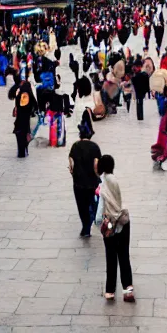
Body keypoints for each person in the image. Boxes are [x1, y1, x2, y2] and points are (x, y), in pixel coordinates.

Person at [95, 155, 134, 302]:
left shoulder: (104, 185)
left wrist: (102, 227)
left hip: (110, 224)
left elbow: (99, 215)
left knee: (111, 258)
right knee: (124, 256)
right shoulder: (116, 181)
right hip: (124, 222)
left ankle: (110, 292)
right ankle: (128, 290)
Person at [69, 127, 102, 237]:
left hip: (78, 182)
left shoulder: (75, 147)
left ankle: (85, 226)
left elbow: (71, 165)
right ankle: (90, 222)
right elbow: (96, 165)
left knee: (81, 205)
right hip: (92, 182)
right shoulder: (95, 147)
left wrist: (73, 172)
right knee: (93, 203)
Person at [13, 81, 38, 158]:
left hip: (19, 120)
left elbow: (16, 105)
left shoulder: (19, 95)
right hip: (26, 120)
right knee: (25, 136)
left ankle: (21, 152)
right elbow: (36, 106)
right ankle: (25, 150)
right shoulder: (30, 96)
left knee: (19, 136)